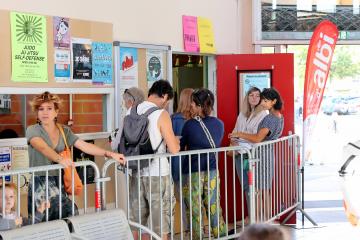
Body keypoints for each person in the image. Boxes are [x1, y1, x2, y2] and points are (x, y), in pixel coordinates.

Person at [26, 91, 125, 221]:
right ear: (37, 113)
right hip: (40, 181)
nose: (45, 112)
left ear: (56, 112)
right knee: (42, 219)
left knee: (64, 216)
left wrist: (110, 153)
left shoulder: (64, 130)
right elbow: (42, 147)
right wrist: (60, 159)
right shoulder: (32, 129)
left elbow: (83, 145)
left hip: (59, 180)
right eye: (41, 109)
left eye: (49, 108)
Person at [128, 80, 179, 240]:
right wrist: (175, 141)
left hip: (136, 171)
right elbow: (174, 149)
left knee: (137, 218)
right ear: (164, 96)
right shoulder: (161, 114)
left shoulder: (132, 110)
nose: (167, 105)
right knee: (160, 219)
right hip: (158, 172)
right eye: (168, 101)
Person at [229, 87, 284, 221]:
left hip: (260, 156)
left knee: (259, 191)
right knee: (261, 191)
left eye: (264, 100)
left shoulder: (269, 118)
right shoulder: (277, 117)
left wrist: (239, 134)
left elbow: (257, 138)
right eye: (262, 100)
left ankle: (259, 221)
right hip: (262, 155)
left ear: (273, 101)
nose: (262, 102)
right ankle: (263, 220)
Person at [180, 88, 227, 239]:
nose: (191, 106)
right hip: (213, 169)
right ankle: (220, 234)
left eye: (193, 103)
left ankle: (197, 236)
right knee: (214, 205)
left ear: (200, 106)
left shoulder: (189, 125)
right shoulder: (219, 124)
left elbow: (181, 147)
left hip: (193, 171)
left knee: (195, 207)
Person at [229, 87, 268, 225]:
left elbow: (256, 136)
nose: (254, 98)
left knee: (254, 187)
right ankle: (251, 216)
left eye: (257, 96)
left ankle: (256, 218)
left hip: (251, 155)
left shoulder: (263, 114)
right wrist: (233, 138)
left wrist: (240, 135)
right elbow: (235, 131)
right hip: (240, 153)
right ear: (247, 97)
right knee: (246, 186)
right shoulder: (243, 114)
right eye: (251, 95)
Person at [170, 88, 193, 231]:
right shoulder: (196, 120)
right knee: (192, 196)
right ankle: (194, 225)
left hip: (177, 163)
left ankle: (187, 227)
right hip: (193, 163)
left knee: (182, 198)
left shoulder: (173, 119)